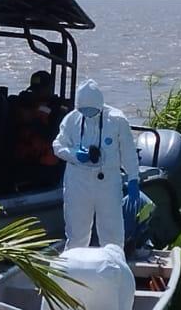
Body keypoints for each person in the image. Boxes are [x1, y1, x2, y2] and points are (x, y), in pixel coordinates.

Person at [52, 79, 138, 249]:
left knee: (112, 233)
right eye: (83, 110)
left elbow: (128, 152)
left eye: (91, 110)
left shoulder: (117, 120)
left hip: (108, 183)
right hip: (78, 183)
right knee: (77, 234)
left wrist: (133, 177)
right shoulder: (71, 120)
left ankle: (113, 269)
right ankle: (75, 269)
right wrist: (75, 154)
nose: (88, 113)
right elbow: (57, 146)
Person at [12, 70, 65, 188]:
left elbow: (52, 136)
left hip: (46, 166)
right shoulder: (27, 104)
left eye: (40, 89)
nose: (36, 92)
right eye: (34, 89)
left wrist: (32, 120)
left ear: (49, 88)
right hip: (25, 160)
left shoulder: (58, 109)